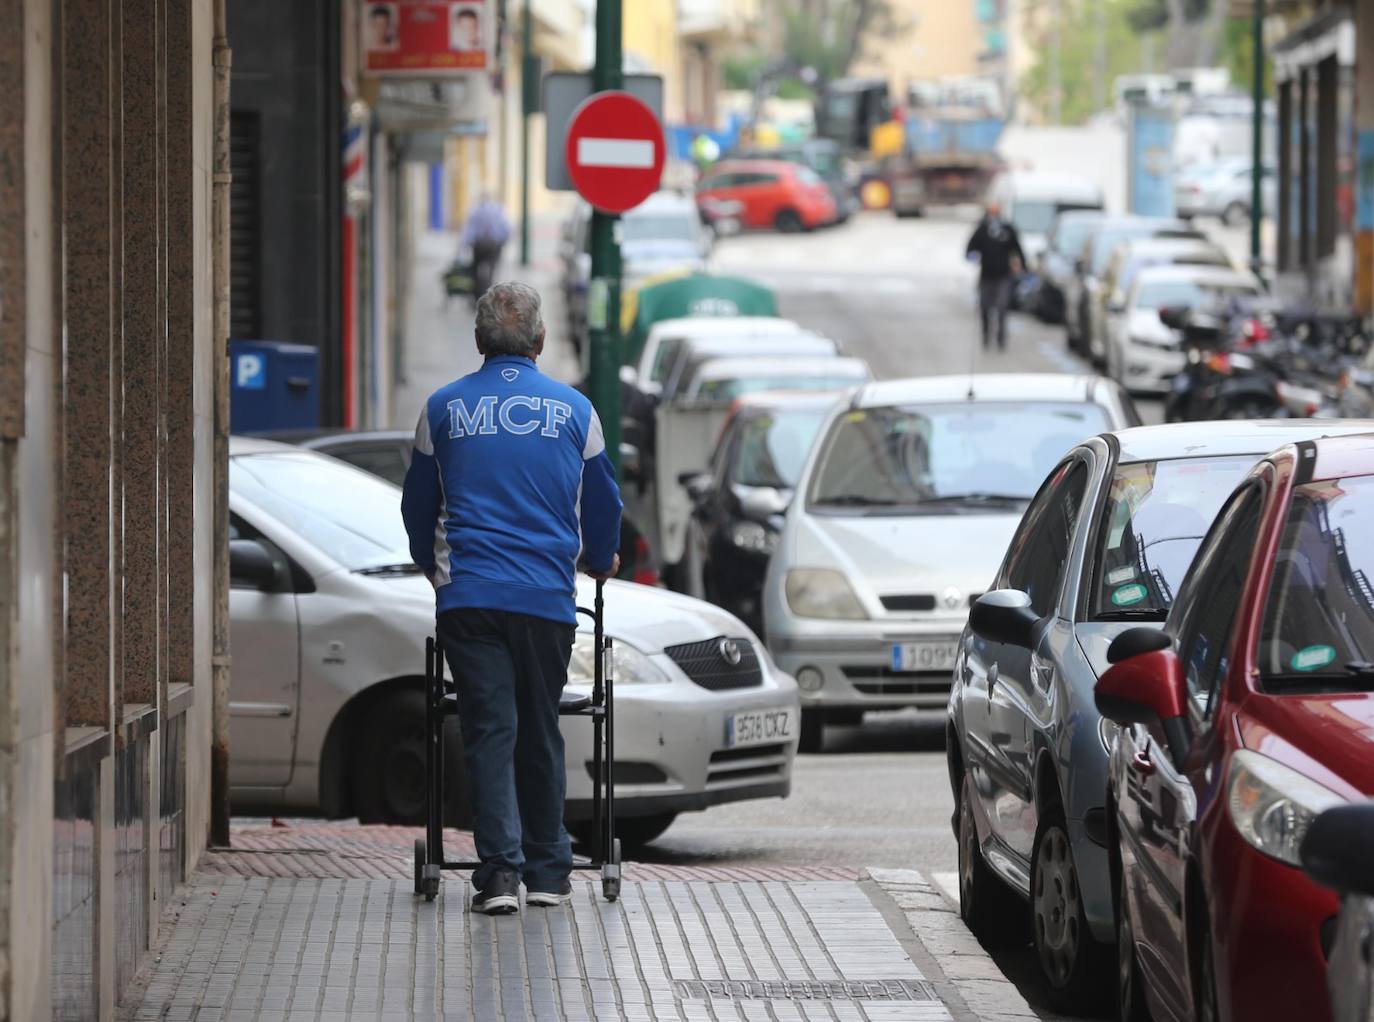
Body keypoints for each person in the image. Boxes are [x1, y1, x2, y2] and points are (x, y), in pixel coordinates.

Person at [401, 282, 622, 914]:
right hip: (547, 600)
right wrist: (601, 558)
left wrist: (433, 568)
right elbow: (602, 505)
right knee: (541, 727)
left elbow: (419, 506)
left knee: (488, 728)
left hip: (469, 599)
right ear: (541, 341)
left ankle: (498, 875)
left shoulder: (442, 410)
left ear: (477, 342)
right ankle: (550, 873)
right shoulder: (577, 413)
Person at [965, 200, 1026, 351]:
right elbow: (970, 248)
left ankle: (1001, 338)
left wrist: (1023, 268)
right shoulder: (982, 229)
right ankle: (986, 336)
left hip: (1003, 276)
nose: (994, 214)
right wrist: (973, 256)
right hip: (986, 275)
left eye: (996, 211)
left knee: (1002, 307)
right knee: (985, 307)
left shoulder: (1008, 228)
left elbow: (1017, 249)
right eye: (992, 211)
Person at [460, 193, 510, 304]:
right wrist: (502, 241)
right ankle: (490, 295)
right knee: (492, 269)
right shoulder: (498, 210)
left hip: (479, 244)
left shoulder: (475, 210)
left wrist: (465, 245)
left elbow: (469, 230)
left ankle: (477, 295)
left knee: (476, 269)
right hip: (494, 243)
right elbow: (505, 228)